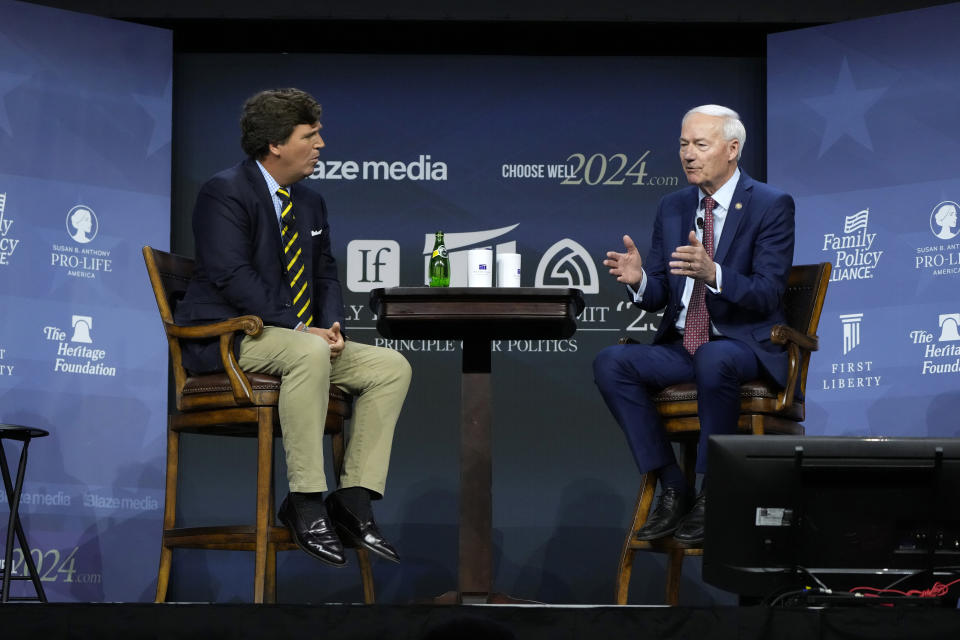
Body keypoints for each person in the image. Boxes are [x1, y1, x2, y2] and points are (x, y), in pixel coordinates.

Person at [174, 88, 412, 567]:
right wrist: (303, 328)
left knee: (390, 366)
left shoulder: (310, 202)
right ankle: (305, 502)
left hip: (294, 335)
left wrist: (330, 326)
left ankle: (353, 501)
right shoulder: (224, 191)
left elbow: (323, 272)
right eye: (310, 135)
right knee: (308, 353)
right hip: (229, 338)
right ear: (275, 144)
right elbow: (231, 275)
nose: (321, 143)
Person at [593, 105, 795, 545]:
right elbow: (662, 293)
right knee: (612, 362)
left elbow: (768, 293)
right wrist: (640, 279)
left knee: (715, 356)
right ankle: (673, 487)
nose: (688, 154)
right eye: (684, 144)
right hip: (683, 346)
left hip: (742, 346)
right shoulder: (673, 206)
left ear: (732, 149)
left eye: (700, 145)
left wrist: (714, 274)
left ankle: (712, 490)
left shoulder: (770, 204)